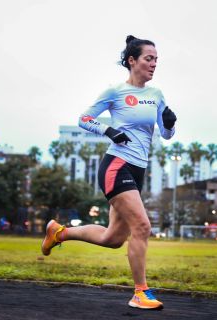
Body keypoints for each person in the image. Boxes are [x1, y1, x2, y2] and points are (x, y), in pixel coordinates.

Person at [41, 35, 177, 310]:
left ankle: (58, 233)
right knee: (142, 227)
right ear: (132, 61)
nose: (154, 65)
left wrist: (171, 124)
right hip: (116, 166)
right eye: (148, 59)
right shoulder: (115, 91)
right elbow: (84, 118)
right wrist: (108, 130)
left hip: (138, 170)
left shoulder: (156, 95)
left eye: (156, 60)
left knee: (113, 239)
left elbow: (165, 134)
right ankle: (140, 292)